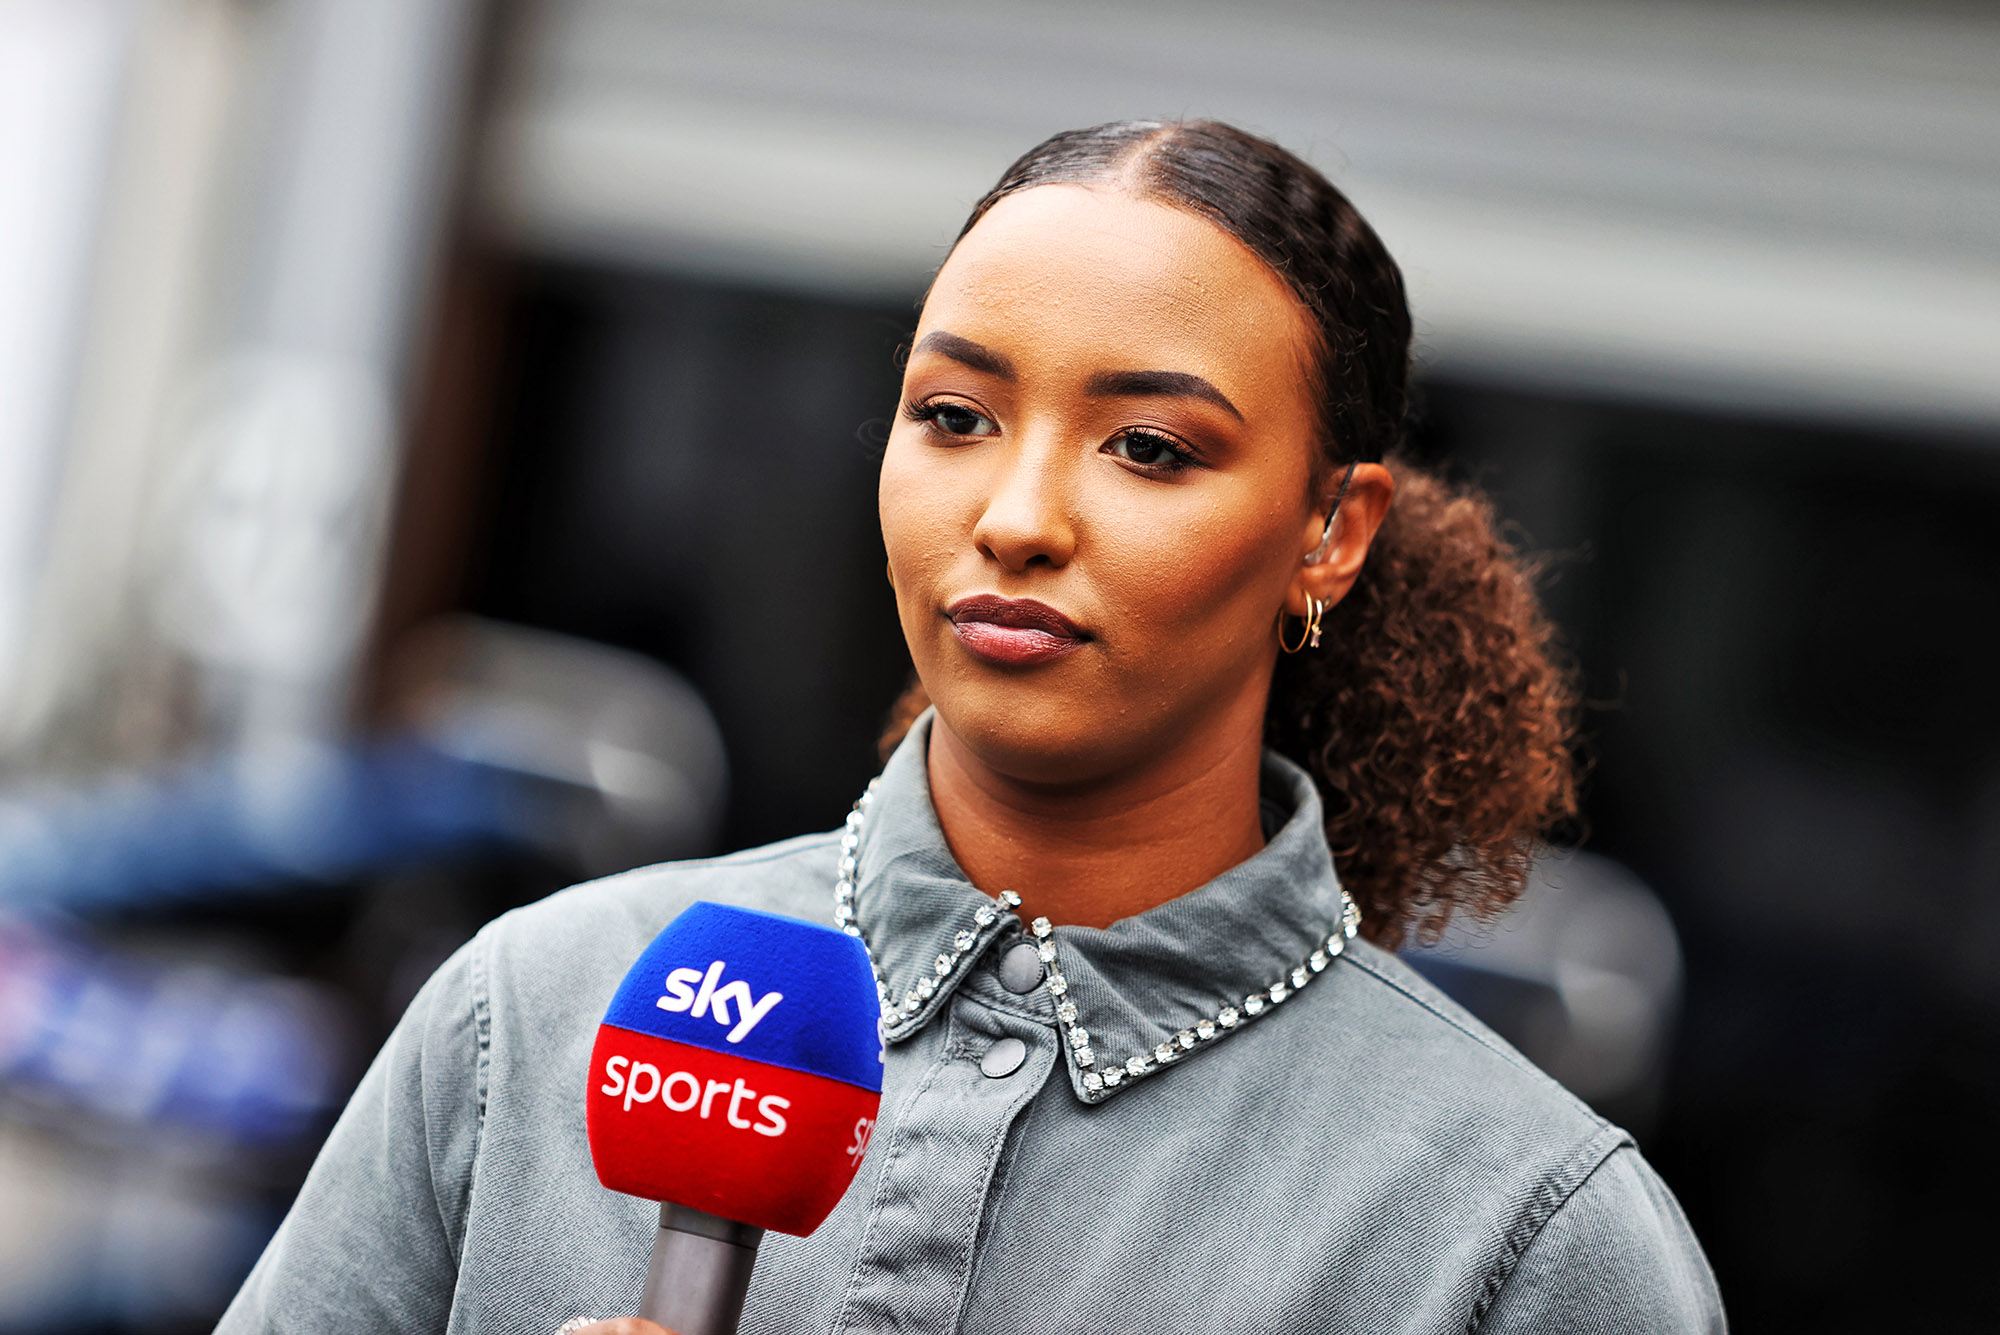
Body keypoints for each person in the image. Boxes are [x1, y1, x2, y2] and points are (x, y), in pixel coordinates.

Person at [217, 120, 1724, 1333]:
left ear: (1332, 530)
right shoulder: (530, 1020)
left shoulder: (1520, 1240)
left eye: (1148, 447)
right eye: (954, 416)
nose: (1013, 518)